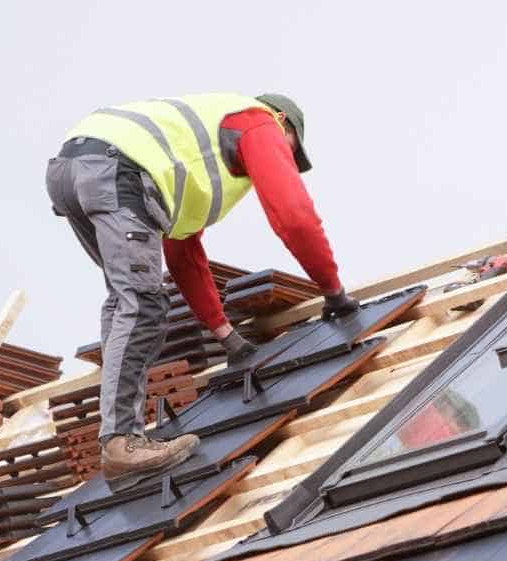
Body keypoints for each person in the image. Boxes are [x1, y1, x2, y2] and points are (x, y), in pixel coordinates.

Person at [45, 92, 358, 490]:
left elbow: (184, 254)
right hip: (115, 168)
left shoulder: (188, 164)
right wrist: (333, 290)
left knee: (127, 298)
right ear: (284, 122)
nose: (287, 159)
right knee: (140, 303)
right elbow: (294, 216)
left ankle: (119, 439)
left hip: (74, 170)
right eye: (292, 149)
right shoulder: (258, 122)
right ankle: (121, 443)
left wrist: (226, 336)